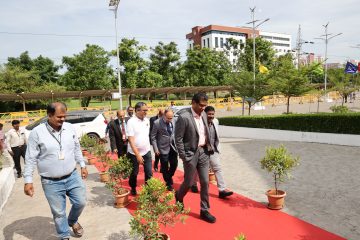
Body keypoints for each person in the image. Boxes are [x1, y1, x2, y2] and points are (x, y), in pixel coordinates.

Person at [23, 102, 88, 240]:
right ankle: (64, 235)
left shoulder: (70, 128)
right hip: (50, 182)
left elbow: (76, 148)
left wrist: (82, 165)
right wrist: (28, 180)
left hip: (72, 176)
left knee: (81, 202)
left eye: (64, 116)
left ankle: (72, 221)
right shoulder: (37, 133)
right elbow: (30, 158)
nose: (63, 119)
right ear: (49, 115)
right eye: (59, 117)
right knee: (58, 213)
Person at [174, 93, 216, 223]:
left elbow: (205, 132)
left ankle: (204, 210)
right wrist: (183, 156)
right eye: (201, 105)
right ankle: (179, 196)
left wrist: (210, 147)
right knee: (188, 182)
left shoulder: (203, 114)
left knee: (204, 182)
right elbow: (178, 138)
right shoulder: (184, 117)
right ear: (193, 103)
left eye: (205, 106)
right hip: (190, 154)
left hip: (203, 152)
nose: (203, 108)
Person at [191, 106, 233, 199]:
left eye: (212, 114)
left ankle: (222, 190)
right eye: (209, 114)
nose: (211, 116)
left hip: (213, 150)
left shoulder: (216, 121)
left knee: (218, 169)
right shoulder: (199, 122)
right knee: (197, 169)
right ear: (204, 114)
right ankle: (193, 184)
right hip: (201, 150)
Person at [126, 102, 152, 196]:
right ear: (137, 111)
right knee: (134, 173)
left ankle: (148, 192)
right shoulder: (131, 122)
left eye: (146, 109)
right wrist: (137, 155)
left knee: (149, 172)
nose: (146, 111)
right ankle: (133, 187)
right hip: (133, 153)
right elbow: (131, 140)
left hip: (146, 151)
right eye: (144, 110)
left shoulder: (147, 120)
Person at [151, 108, 178, 191]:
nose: (170, 119)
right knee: (165, 166)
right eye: (168, 118)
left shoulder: (174, 120)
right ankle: (168, 182)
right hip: (162, 148)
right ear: (164, 116)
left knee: (174, 164)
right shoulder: (157, 123)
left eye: (171, 117)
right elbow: (153, 137)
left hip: (173, 147)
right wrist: (156, 149)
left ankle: (169, 176)